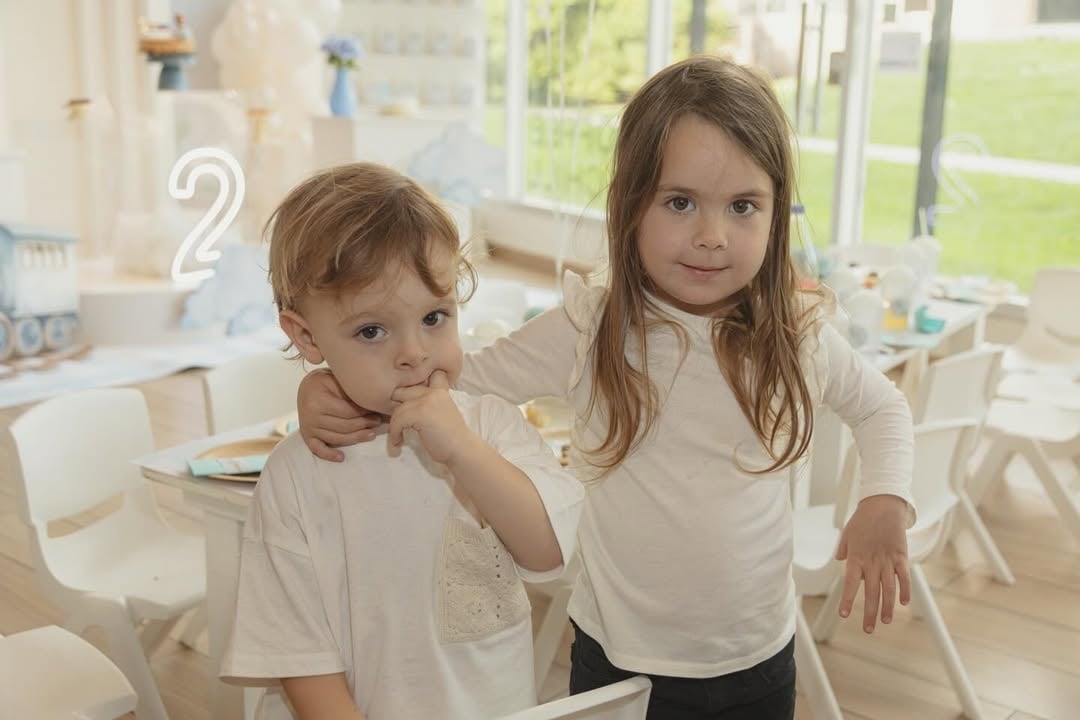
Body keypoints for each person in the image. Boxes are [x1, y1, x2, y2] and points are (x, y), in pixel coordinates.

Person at [295, 57, 916, 719]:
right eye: (680, 203)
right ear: (629, 205)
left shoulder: (797, 331)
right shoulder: (590, 326)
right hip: (618, 661)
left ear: (776, 213)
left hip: (758, 661)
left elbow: (882, 407)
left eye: (743, 206)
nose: (712, 236)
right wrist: (331, 385)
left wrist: (884, 500)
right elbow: (450, 382)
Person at [219, 163, 584, 720]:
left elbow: (548, 552)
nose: (414, 353)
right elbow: (301, 659)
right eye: (372, 330)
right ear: (307, 336)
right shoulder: (298, 474)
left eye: (435, 317)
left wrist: (463, 450)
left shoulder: (492, 427)